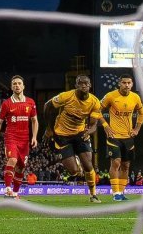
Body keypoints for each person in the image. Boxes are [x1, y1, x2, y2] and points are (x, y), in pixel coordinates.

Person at [43, 75, 103, 203]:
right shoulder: (66, 96)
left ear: (90, 85)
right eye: (80, 83)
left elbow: (94, 125)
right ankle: (75, 161)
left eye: (86, 83)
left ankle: (93, 195)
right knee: (74, 171)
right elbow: (47, 106)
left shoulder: (95, 102)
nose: (83, 85)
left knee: (88, 165)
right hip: (62, 135)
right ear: (75, 86)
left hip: (80, 134)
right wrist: (49, 129)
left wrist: (90, 131)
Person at [0, 75, 38, 199]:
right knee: (13, 160)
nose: (17, 85)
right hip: (11, 137)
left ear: (23, 86)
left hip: (25, 140)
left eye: (19, 83)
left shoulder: (30, 102)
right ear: (11, 87)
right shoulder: (7, 104)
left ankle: (16, 193)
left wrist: (34, 137)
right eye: (14, 84)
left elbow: (34, 120)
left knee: (21, 168)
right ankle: (7, 190)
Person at [100, 74, 143, 201]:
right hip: (114, 136)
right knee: (115, 162)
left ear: (132, 84)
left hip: (128, 137)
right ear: (119, 83)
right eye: (124, 82)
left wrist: (137, 129)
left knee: (126, 165)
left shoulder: (135, 97)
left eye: (129, 83)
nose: (126, 85)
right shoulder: (110, 96)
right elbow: (97, 110)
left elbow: (142, 113)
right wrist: (105, 126)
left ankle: (121, 192)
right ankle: (115, 193)